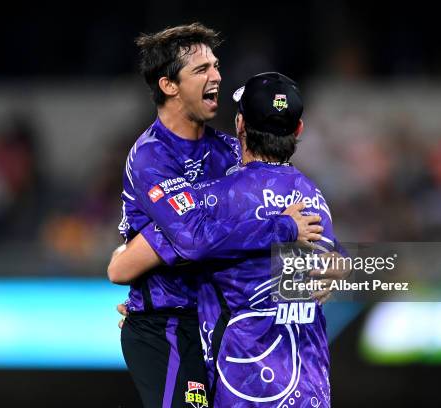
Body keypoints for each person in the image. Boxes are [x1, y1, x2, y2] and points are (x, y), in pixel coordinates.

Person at [113, 23, 322, 408]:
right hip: (169, 326)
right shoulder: (151, 157)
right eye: (201, 69)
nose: (217, 76)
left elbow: (269, 241)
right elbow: (192, 240)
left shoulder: (228, 152)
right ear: (169, 85)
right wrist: (282, 227)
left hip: (220, 324)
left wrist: (316, 273)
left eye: (216, 65)